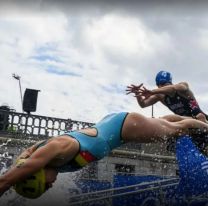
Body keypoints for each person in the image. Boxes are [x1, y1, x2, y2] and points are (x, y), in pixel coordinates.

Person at [0, 111, 208, 199]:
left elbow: (8, 179)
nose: (50, 186)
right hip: (118, 127)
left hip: (125, 127)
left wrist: (4, 184)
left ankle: (203, 124)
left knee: (176, 129)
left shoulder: (59, 148)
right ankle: (195, 118)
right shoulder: (44, 156)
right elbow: (26, 158)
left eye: (44, 185)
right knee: (164, 123)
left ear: (36, 171)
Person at [126, 71, 208, 123]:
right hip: (185, 121)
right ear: (158, 85)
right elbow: (143, 104)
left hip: (201, 119)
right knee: (167, 120)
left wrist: (152, 91)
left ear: (171, 83)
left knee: (171, 118)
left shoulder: (182, 86)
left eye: (166, 84)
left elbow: (173, 88)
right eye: (162, 85)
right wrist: (137, 94)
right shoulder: (160, 96)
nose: (163, 87)